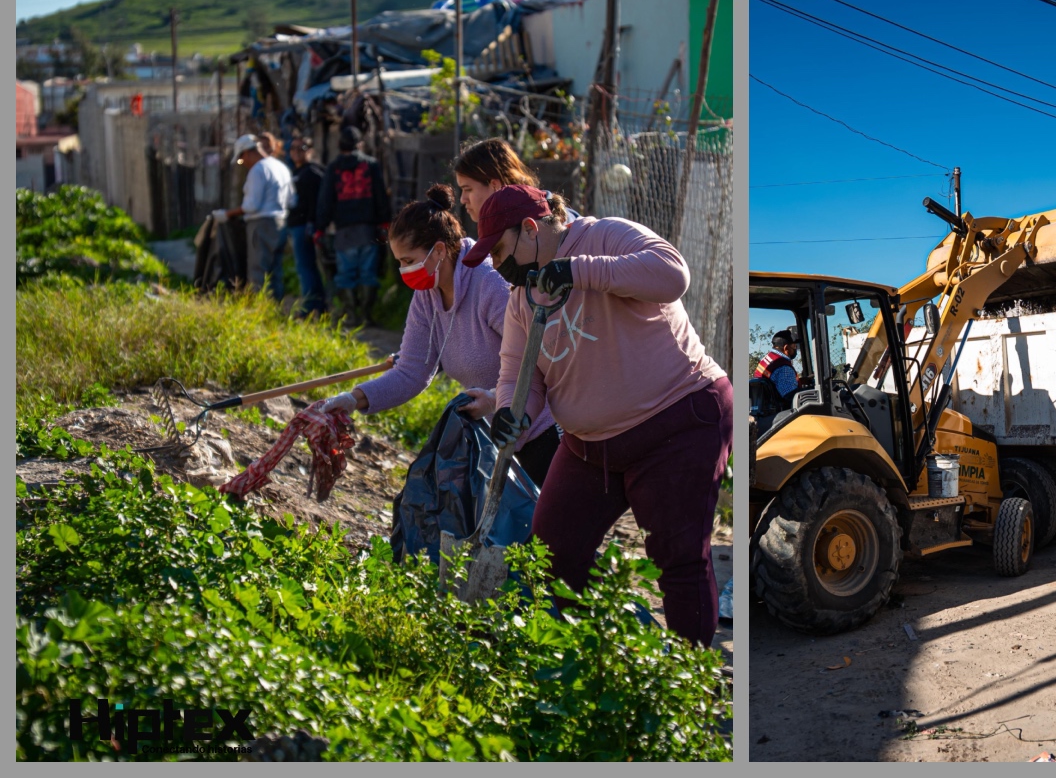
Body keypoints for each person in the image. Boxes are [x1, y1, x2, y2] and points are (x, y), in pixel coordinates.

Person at [464, 185, 732, 647]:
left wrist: (575, 272)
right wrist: (514, 414)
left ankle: (691, 683)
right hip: (590, 447)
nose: (498, 266)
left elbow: (673, 275)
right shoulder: (521, 298)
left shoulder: (605, 237)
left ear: (530, 228)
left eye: (502, 251)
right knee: (552, 551)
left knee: (678, 554)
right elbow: (517, 374)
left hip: (678, 423)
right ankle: (595, 659)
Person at [318, 184, 561, 487]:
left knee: (544, 529)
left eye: (408, 261)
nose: (404, 271)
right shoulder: (427, 296)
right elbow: (411, 371)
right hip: (498, 434)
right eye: (399, 262)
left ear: (440, 250)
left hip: (544, 428)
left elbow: (538, 360)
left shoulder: (489, 283)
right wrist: (354, 399)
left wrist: (496, 398)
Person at [316, 125, 390, 326]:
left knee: (345, 275)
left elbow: (326, 200)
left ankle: (350, 315)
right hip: (368, 230)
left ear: (340, 145)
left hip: (344, 232)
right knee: (368, 273)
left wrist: (320, 227)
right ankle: (366, 315)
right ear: (359, 144)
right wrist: (385, 221)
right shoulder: (371, 165)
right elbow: (380, 195)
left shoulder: (333, 168)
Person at [217, 133, 295, 294]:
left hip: (261, 226)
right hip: (280, 224)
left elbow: (252, 205)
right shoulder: (280, 167)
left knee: (258, 271)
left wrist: (227, 214)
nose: (242, 163)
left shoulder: (258, 170)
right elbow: (292, 200)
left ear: (246, 152)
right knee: (275, 273)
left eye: (240, 159)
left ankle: (261, 312)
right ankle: (276, 311)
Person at [453, 137, 580, 226]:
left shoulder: (532, 230)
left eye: (468, 189)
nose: (463, 199)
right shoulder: (514, 224)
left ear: (495, 185)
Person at [286, 135, 327, 316]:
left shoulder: (312, 173)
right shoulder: (297, 171)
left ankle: (310, 307)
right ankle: (318, 304)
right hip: (297, 224)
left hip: (305, 226)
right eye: (293, 148)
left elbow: (316, 202)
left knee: (305, 268)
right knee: (307, 266)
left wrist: (313, 224)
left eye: (301, 148)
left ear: (310, 150)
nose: (296, 152)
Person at [753, 330, 800, 408]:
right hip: (781, 411)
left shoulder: (767, 359)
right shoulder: (784, 367)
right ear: (786, 348)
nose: (795, 349)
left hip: (764, 408)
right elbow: (791, 396)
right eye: (794, 346)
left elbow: (777, 380)